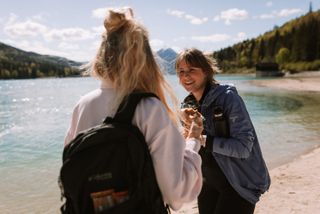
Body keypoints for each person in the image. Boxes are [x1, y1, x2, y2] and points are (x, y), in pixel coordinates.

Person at [64, 8, 204, 211]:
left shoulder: (82, 106)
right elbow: (176, 194)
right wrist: (193, 142)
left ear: (102, 56)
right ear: (144, 61)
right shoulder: (149, 109)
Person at [176, 48, 271, 214]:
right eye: (181, 71)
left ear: (206, 71)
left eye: (192, 70)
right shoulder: (188, 105)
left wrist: (201, 138)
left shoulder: (228, 98)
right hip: (207, 183)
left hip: (238, 184)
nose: (185, 76)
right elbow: (188, 144)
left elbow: (243, 148)